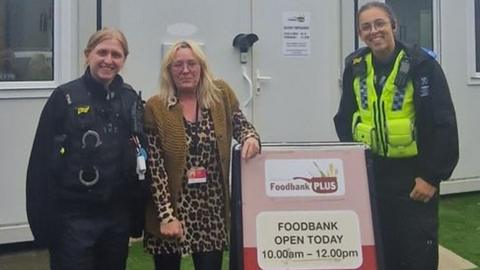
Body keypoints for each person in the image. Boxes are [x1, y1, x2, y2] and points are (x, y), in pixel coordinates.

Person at [334, 2, 458, 270]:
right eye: (366, 27)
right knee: (380, 251)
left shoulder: (422, 65)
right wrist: (355, 171)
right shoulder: (355, 66)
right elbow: (345, 119)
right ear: (359, 33)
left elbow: (443, 124)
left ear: (393, 25)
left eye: (379, 23)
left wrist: (430, 176)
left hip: (414, 179)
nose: (374, 31)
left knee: (416, 253)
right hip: (373, 177)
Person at [26, 27, 146, 270]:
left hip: (116, 218)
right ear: (88, 54)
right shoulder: (64, 98)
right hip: (73, 219)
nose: (108, 60)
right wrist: (42, 224)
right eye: (102, 52)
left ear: (124, 60)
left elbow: (140, 157)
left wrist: (136, 218)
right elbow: (40, 166)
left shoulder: (130, 99)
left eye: (116, 54)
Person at [143, 40, 260, 270]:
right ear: (168, 71)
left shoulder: (221, 95)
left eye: (191, 64)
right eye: (178, 65)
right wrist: (167, 216)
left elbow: (241, 125)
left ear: (202, 67)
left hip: (211, 209)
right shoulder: (156, 107)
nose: (185, 70)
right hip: (172, 209)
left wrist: (250, 138)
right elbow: (155, 168)